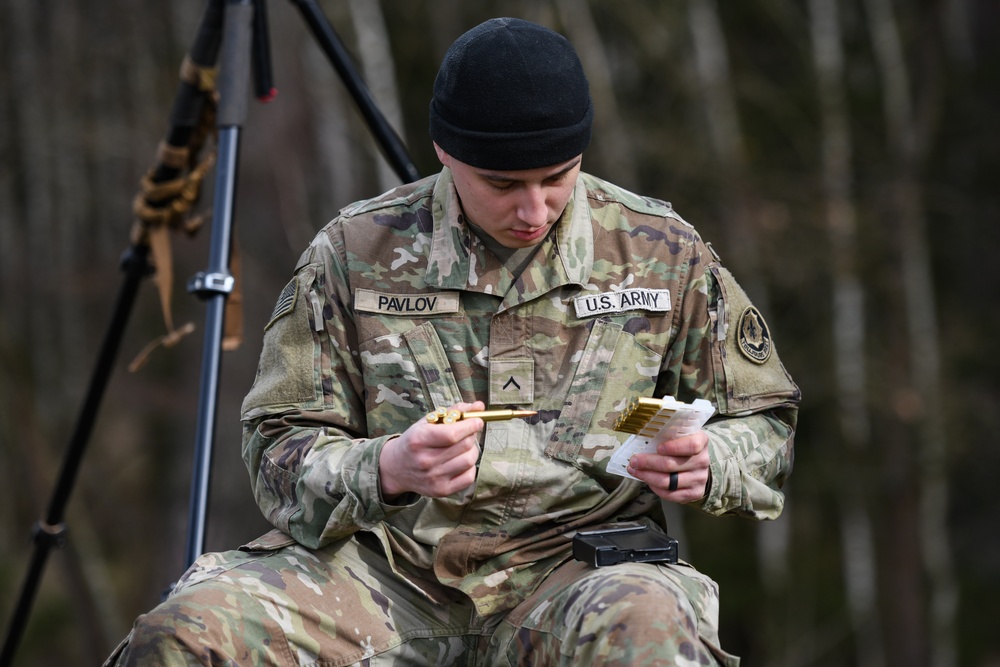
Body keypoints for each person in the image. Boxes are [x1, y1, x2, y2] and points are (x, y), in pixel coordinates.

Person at [106, 16, 799, 666]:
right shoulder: (355, 253)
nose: (533, 210)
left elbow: (767, 418)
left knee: (650, 630)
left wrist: (713, 460)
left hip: (582, 570)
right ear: (445, 152)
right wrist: (388, 467)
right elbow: (274, 453)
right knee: (186, 635)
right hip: (388, 571)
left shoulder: (659, 251)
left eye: (557, 178)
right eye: (502, 184)